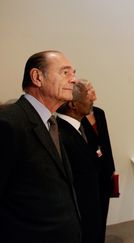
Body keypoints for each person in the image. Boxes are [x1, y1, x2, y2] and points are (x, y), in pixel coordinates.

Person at [0, 50, 81, 242]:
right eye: (65, 72)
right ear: (37, 77)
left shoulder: (49, 122)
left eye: (74, 73)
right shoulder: (8, 124)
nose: (74, 79)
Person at [57, 80, 103, 243]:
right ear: (74, 105)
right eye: (87, 95)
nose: (92, 99)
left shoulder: (80, 126)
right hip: (79, 214)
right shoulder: (60, 134)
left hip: (90, 208)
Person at [81, 80, 116, 242]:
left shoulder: (99, 113)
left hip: (104, 171)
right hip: (87, 175)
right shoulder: (75, 116)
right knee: (89, 216)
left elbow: (106, 143)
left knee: (103, 210)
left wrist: (112, 169)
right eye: (89, 90)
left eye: (92, 87)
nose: (93, 92)